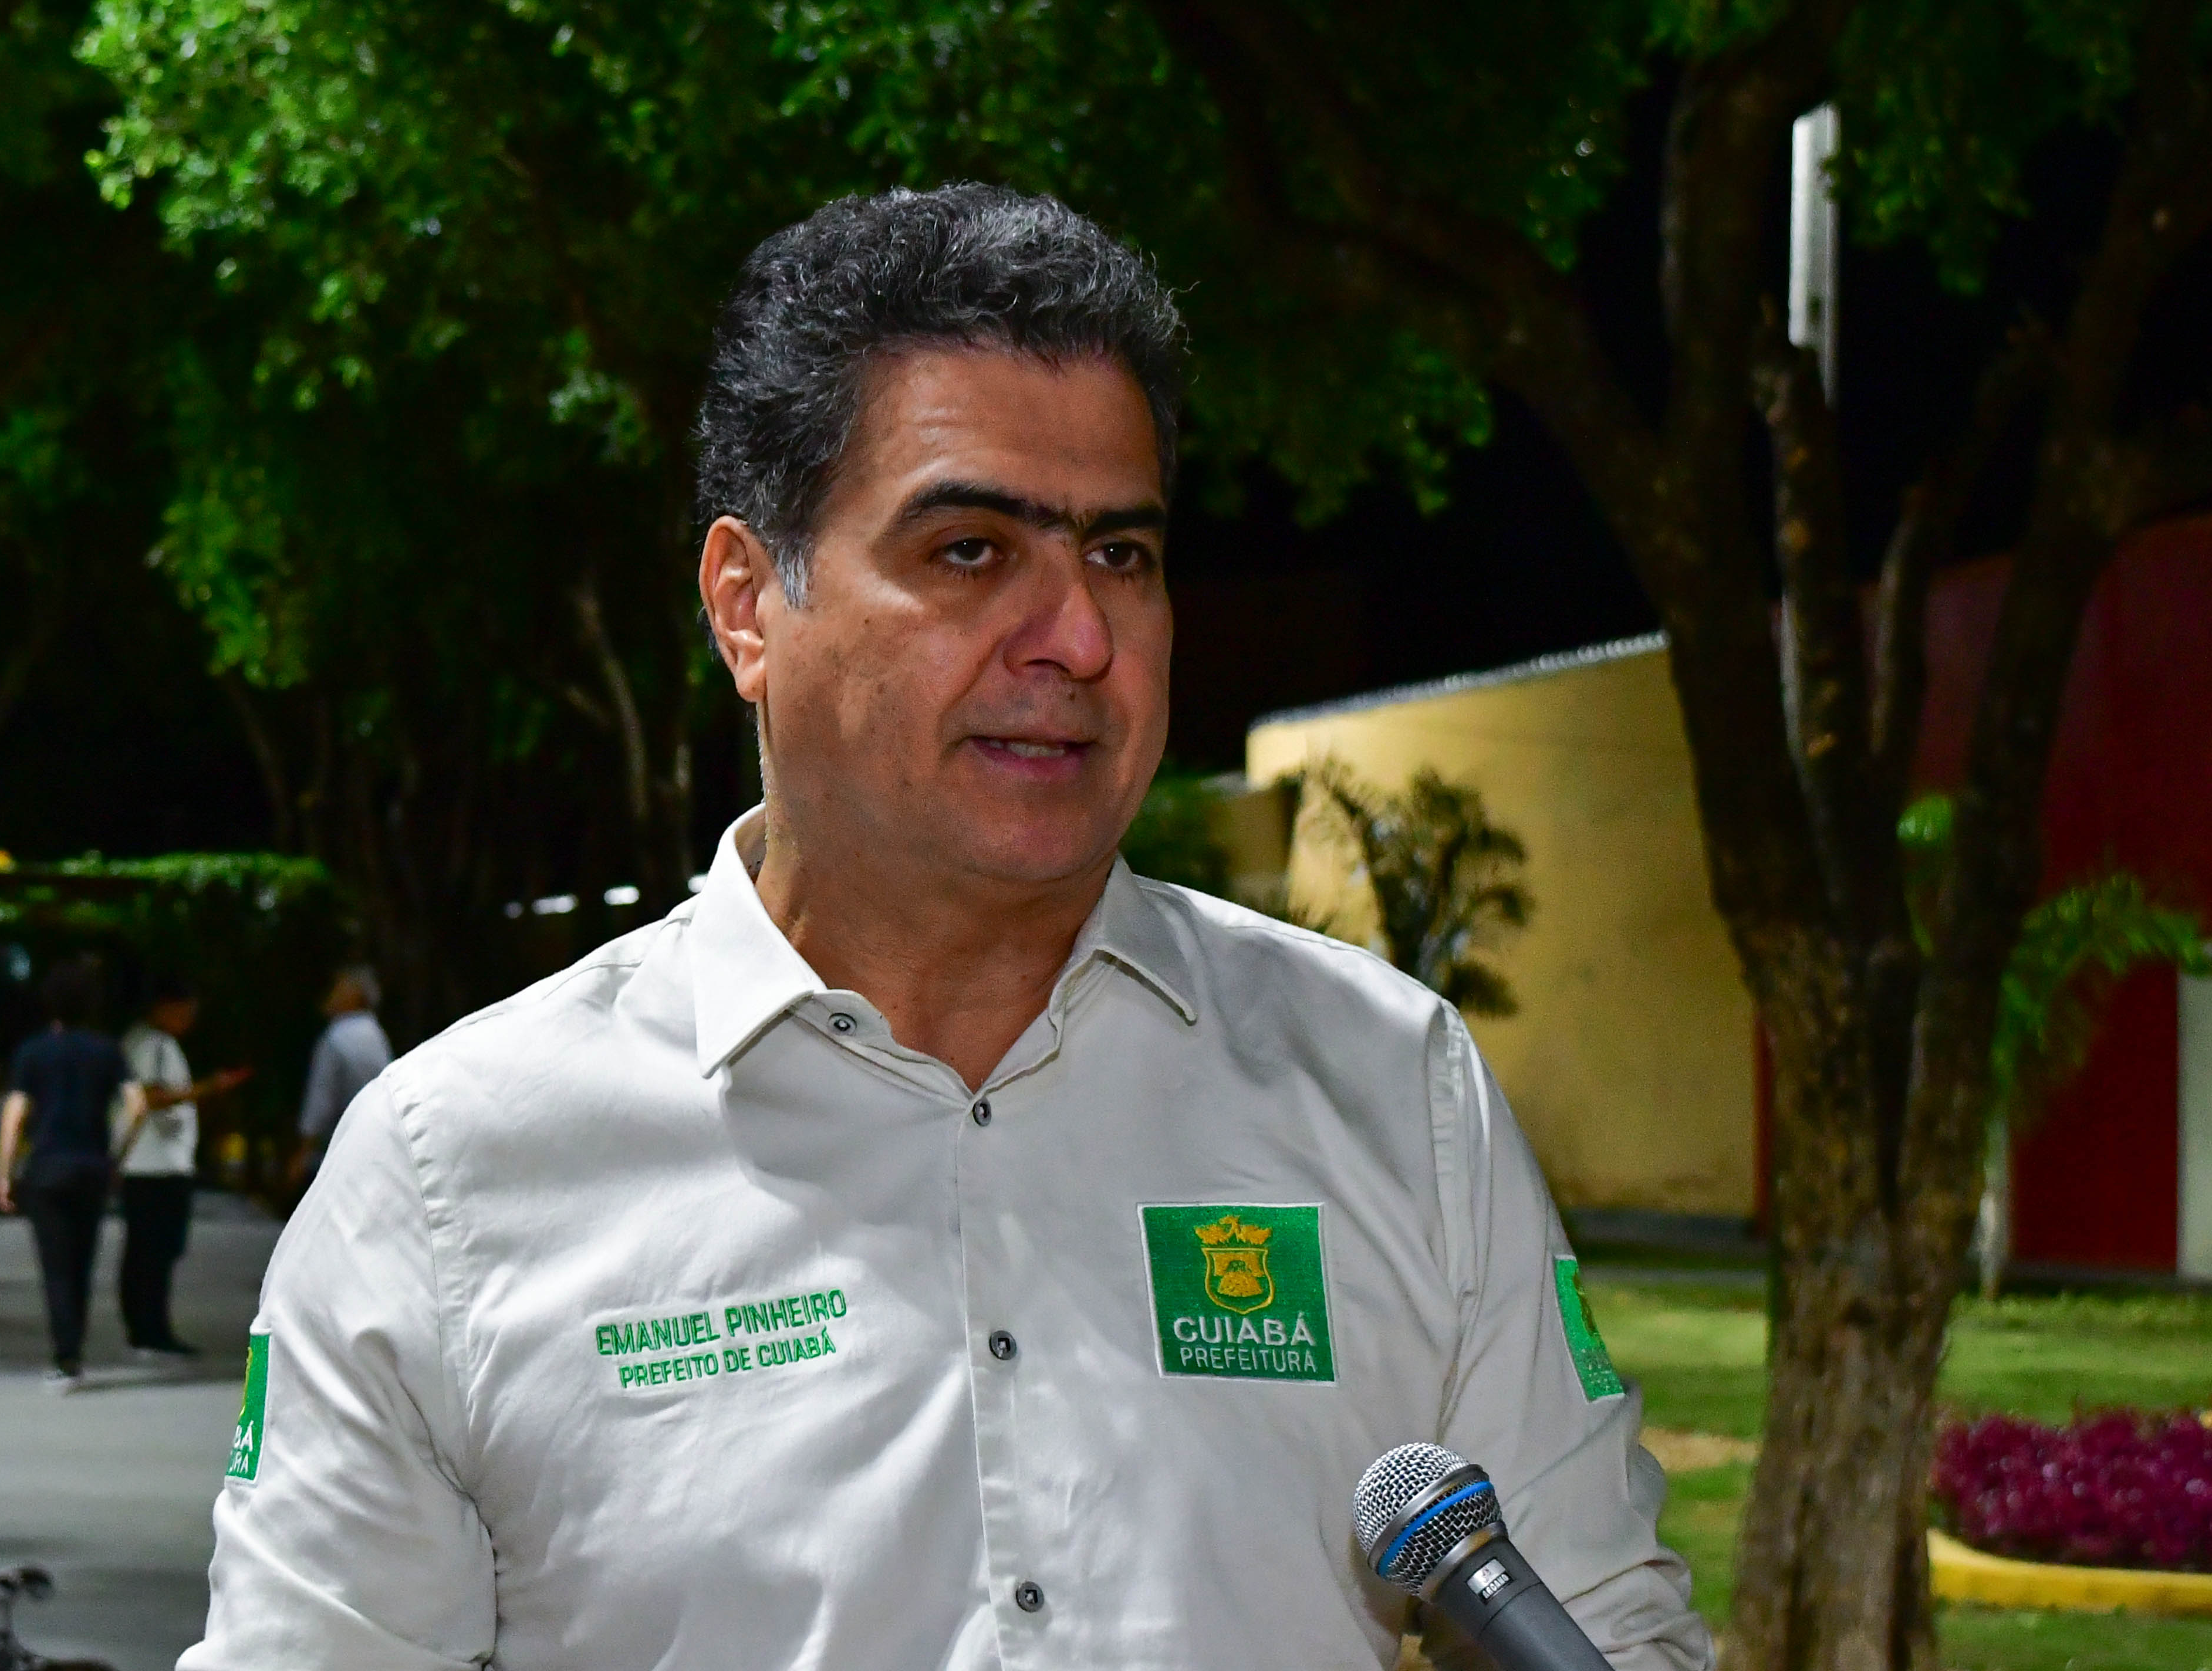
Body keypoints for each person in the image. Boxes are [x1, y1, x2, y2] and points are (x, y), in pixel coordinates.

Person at [185, 185, 1710, 1671]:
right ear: (746, 605)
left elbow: (1603, 1626)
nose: (1080, 637)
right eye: (971, 551)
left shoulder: (1391, 1091)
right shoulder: (455, 1175)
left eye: (1121, 555)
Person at [0, 956, 143, 1393]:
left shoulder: (33, 1052)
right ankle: (74, 1345)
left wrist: (5, 1174)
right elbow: (137, 1106)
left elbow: (14, 1117)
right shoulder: (107, 1051)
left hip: (47, 1170)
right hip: (92, 1167)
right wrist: (117, 1157)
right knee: (83, 1262)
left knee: (56, 1266)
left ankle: (67, 1358)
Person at [110, 976, 252, 1357]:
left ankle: (148, 1327)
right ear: (164, 1008)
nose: (189, 1022)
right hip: (154, 1165)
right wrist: (209, 1088)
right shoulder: (152, 1045)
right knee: (153, 1252)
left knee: (152, 1251)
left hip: (157, 1164)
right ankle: (149, 1330)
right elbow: (151, 1096)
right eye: (185, 1013)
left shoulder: (151, 1042)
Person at [286, 965, 390, 1188]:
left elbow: (320, 1104)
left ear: (355, 996)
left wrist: (302, 1154)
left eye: (338, 989)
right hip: (371, 1151)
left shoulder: (337, 1037)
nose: (331, 996)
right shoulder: (378, 1037)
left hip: (333, 1158)